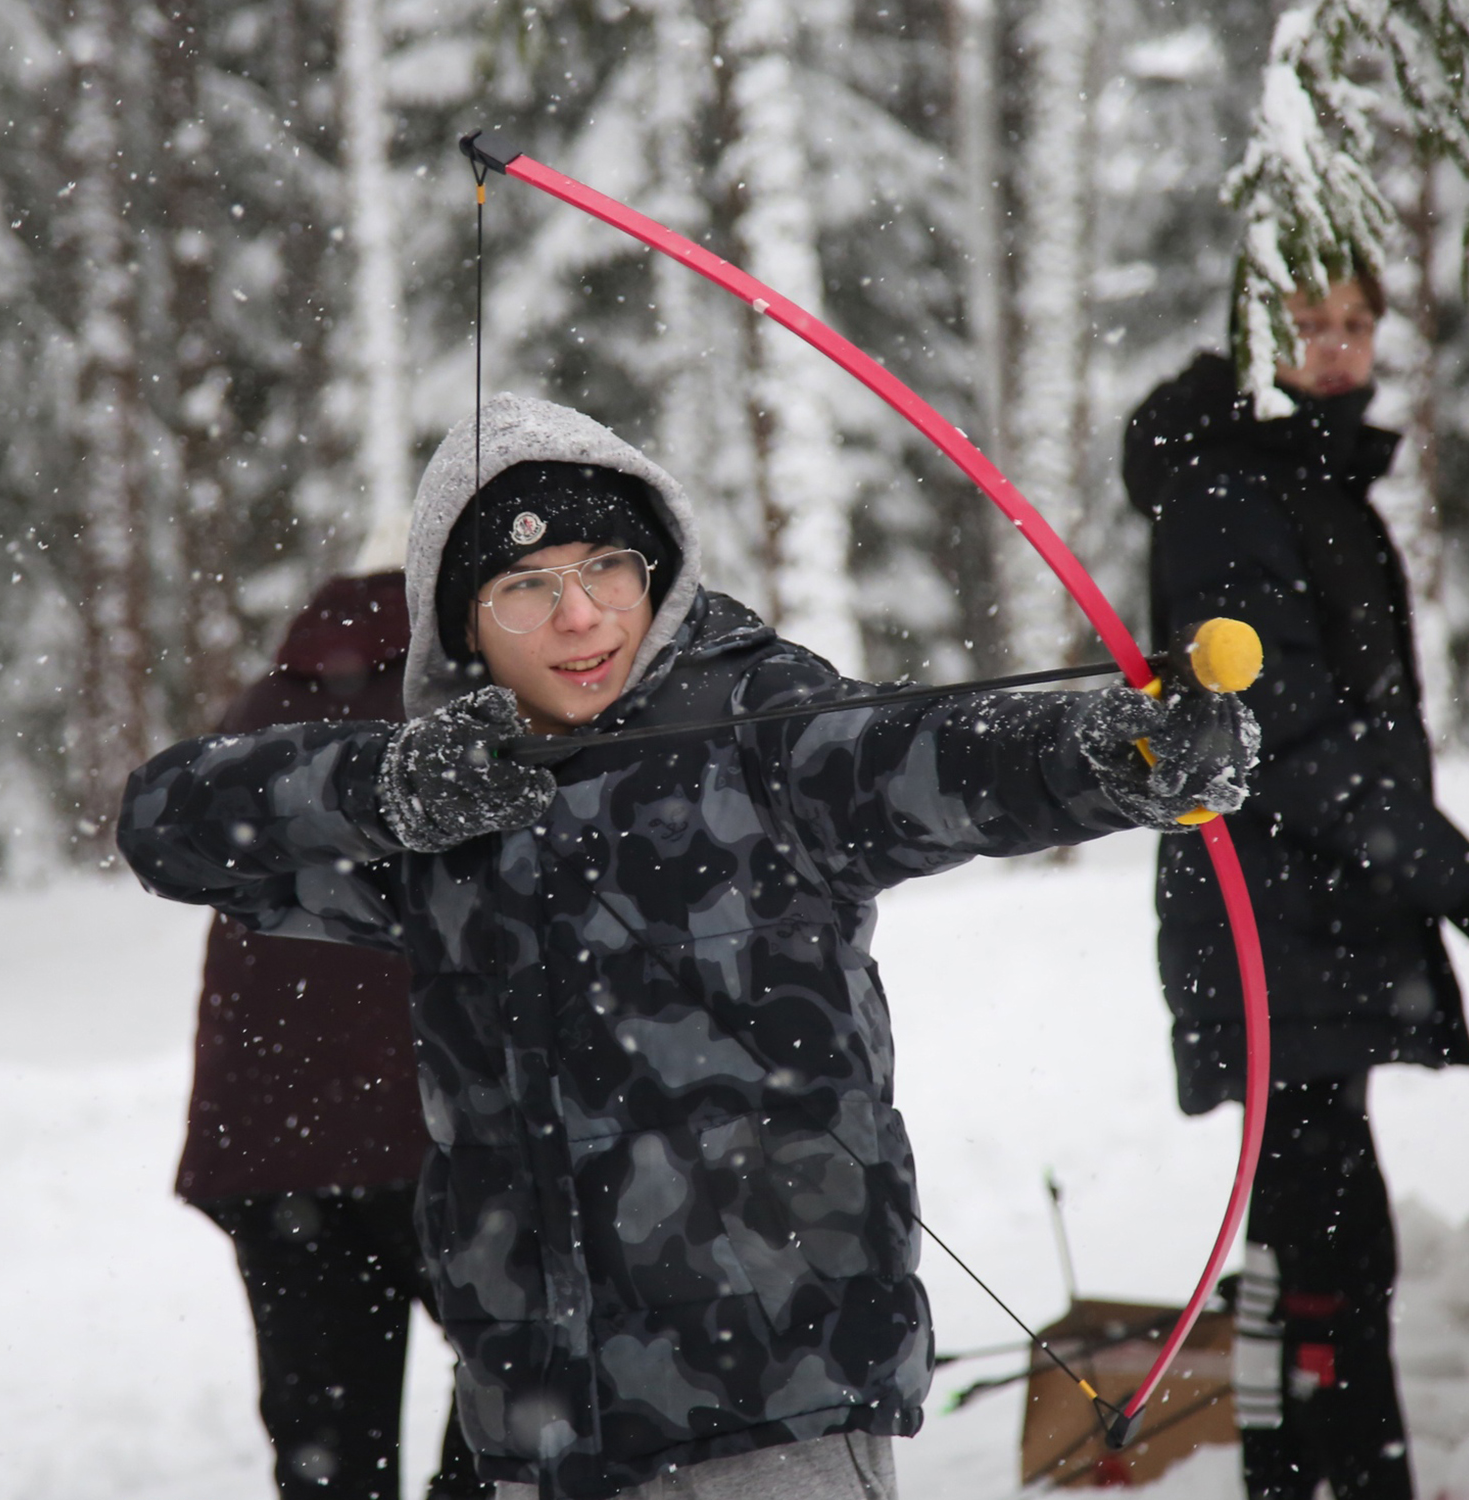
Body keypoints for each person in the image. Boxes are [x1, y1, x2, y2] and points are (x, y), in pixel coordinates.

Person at [121, 392, 1256, 1500]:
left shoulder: (764, 725)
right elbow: (168, 826)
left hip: (776, 1401)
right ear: (461, 620)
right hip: (542, 1432)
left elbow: (938, 758)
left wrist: (1119, 749)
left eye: (606, 570)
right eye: (525, 588)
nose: (581, 618)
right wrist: (389, 783)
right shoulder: (441, 799)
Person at [1125, 271, 1469, 1500]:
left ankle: (1321, 1472)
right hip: (1272, 925)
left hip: (1320, 927)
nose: (1340, 352)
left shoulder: (1308, 480)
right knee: (1318, 1257)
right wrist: (1443, 866)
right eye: (1311, 326)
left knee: (1326, 1247)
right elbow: (1273, 727)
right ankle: (1317, 1478)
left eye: (1359, 327)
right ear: (1257, 340)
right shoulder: (1229, 488)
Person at [176, 568, 487, 1500]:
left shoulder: (252, 722)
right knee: (530, 1386)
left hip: (270, 1156)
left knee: (328, 1452)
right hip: (436, 1139)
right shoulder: (461, 718)